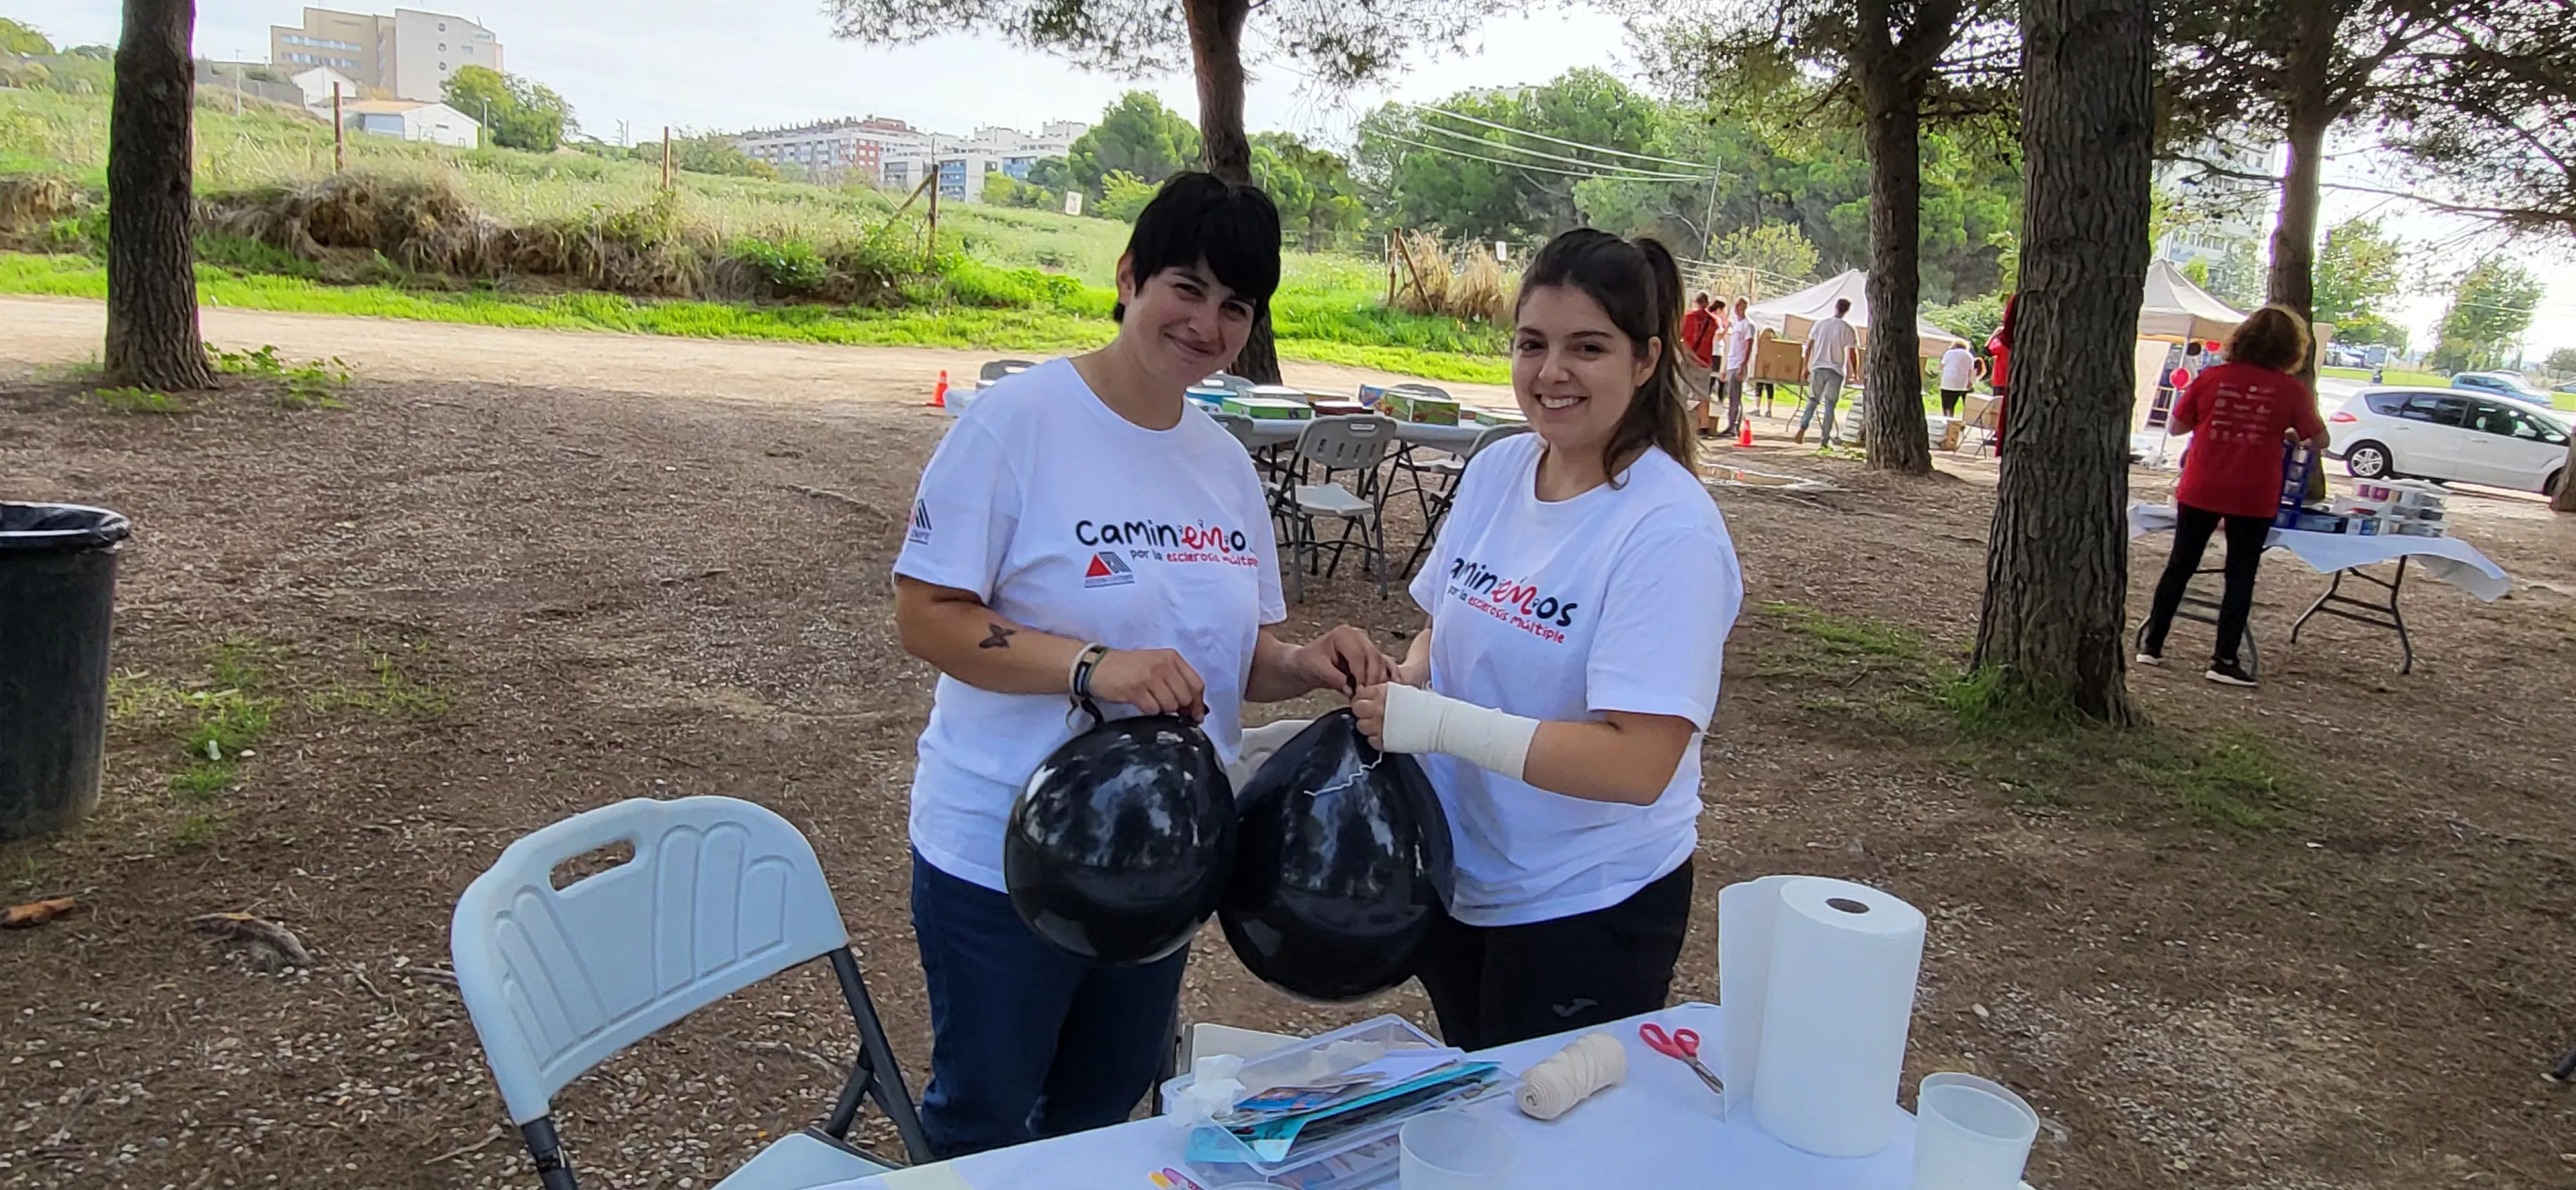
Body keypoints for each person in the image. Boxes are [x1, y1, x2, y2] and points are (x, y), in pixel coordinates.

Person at [890, 173, 1394, 1157]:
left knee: (1104, 1108)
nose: (1208, 323)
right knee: (986, 1116)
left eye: (1236, 305)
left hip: (1166, 858)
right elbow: (928, 617)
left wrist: (1303, 661)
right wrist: (1092, 666)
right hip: (1003, 852)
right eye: (1187, 287)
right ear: (1128, 277)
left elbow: (1228, 655)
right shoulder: (1018, 424)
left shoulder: (1225, 463)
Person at [1349, 228, 1743, 1051]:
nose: (1551, 372)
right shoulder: (1499, 469)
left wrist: (1435, 726)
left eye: (1586, 348)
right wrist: (1400, 682)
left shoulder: (1666, 531)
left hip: (1584, 907)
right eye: (1532, 344)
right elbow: (1441, 632)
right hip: (1464, 874)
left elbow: (1639, 763)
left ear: (1645, 360)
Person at [2136, 305, 2330, 688]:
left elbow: (2176, 427)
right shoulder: (2292, 390)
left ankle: (2153, 643)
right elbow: (2320, 438)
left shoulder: (2212, 377)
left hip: (2202, 483)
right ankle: (2224, 658)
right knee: (2240, 574)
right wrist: (2288, 435)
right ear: (2293, 350)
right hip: (2254, 492)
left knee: (2181, 564)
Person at [1792, 298, 1860, 448]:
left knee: (1813, 400)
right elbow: (1852, 353)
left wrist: (1805, 366)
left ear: (1835, 307)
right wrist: (1854, 372)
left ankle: (1803, 427)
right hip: (1836, 370)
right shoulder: (1848, 328)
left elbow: (1809, 347)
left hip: (1818, 367)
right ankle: (1824, 439)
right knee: (1830, 405)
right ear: (1847, 310)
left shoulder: (1820, 324)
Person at [1680, 292, 1720, 428]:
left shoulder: (1688, 318)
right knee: (1703, 395)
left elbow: (1680, 337)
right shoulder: (1714, 322)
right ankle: (1705, 425)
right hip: (1704, 362)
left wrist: (1688, 353)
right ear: (1707, 302)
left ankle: (1680, 424)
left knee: (1682, 393)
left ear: (1695, 301)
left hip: (1689, 360)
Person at [1986, 294, 2019, 451]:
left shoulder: (2001, 346)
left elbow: (1987, 351)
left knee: (1998, 409)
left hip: (2000, 380)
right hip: (2011, 379)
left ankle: (1997, 435)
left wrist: (1995, 335)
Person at [1719, 296, 1756, 435]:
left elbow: (1748, 345)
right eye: (1736, 306)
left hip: (1739, 364)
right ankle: (1732, 424)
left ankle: (1734, 425)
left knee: (1736, 396)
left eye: (1740, 306)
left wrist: (1743, 365)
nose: (1737, 309)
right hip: (1732, 363)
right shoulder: (1736, 325)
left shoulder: (1748, 325)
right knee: (1732, 395)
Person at [1937, 338, 1975, 419]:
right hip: (1962, 383)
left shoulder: (1949, 353)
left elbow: (1940, 367)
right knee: (1958, 402)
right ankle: (1962, 422)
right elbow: (1970, 371)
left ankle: (1948, 419)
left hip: (1949, 382)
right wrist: (1970, 382)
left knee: (1947, 405)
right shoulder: (1969, 355)